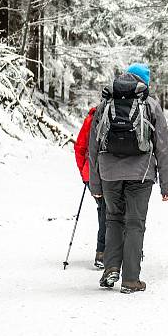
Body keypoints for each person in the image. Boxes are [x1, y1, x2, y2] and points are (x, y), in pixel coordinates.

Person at [88, 63, 168, 293]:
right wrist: (167, 184)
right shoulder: (150, 104)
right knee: (135, 223)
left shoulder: (106, 102)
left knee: (113, 218)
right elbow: (162, 147)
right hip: (141, 173)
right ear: (144, 81)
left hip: (109, 172)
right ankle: (131, 279)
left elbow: (93, 146)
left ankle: (111, 269)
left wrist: (94, 182)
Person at [74, 105, 106, 269]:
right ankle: (104, 252)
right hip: (107, 173)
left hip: (91, 174)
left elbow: (79, 147)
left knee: (104, 210)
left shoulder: (91, 118)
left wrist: (84, 172)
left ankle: (102, 253)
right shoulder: (101, 117)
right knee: (108, 211)